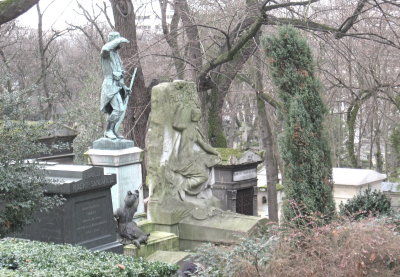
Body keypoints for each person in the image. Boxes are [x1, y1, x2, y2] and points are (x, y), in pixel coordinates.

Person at [100, 32, 130, 139]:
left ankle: (111, 131)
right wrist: (115, 41)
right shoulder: (106, 54)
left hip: (117, 85)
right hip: (110, 85)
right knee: (118, 109)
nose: (120, 45)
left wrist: (124, 87)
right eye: (118, 42)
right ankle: (108, 131)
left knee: (118, 110)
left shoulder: (116, 55)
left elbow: (119, 73)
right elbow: (105, 49)